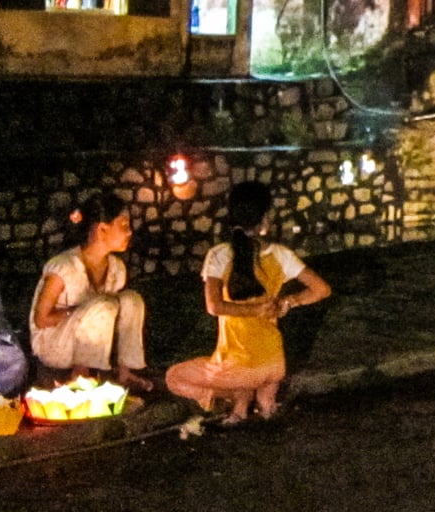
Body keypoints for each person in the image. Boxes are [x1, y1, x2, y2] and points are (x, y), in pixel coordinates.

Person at [166, 180, 331, 424]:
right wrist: (289, 302)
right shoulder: (280, 254)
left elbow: (214, 307)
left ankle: (234, 401)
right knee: (250, 380)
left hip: (239, 368)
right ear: (264, 219)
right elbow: (322, 289)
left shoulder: (219, 255)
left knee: (173, 377)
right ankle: (258, 404)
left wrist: (252, 309)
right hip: (274, 363)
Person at [29, 192, 152, 391]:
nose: (129, 232)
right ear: (102, 230)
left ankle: (125, 372)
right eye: (123, 226)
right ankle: (80, 375)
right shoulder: (64, 267)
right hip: (55, 345)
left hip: (86, 342)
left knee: (131, 300)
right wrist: (76, 311)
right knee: (104, 305)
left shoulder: (116, 268)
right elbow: (41, 319)